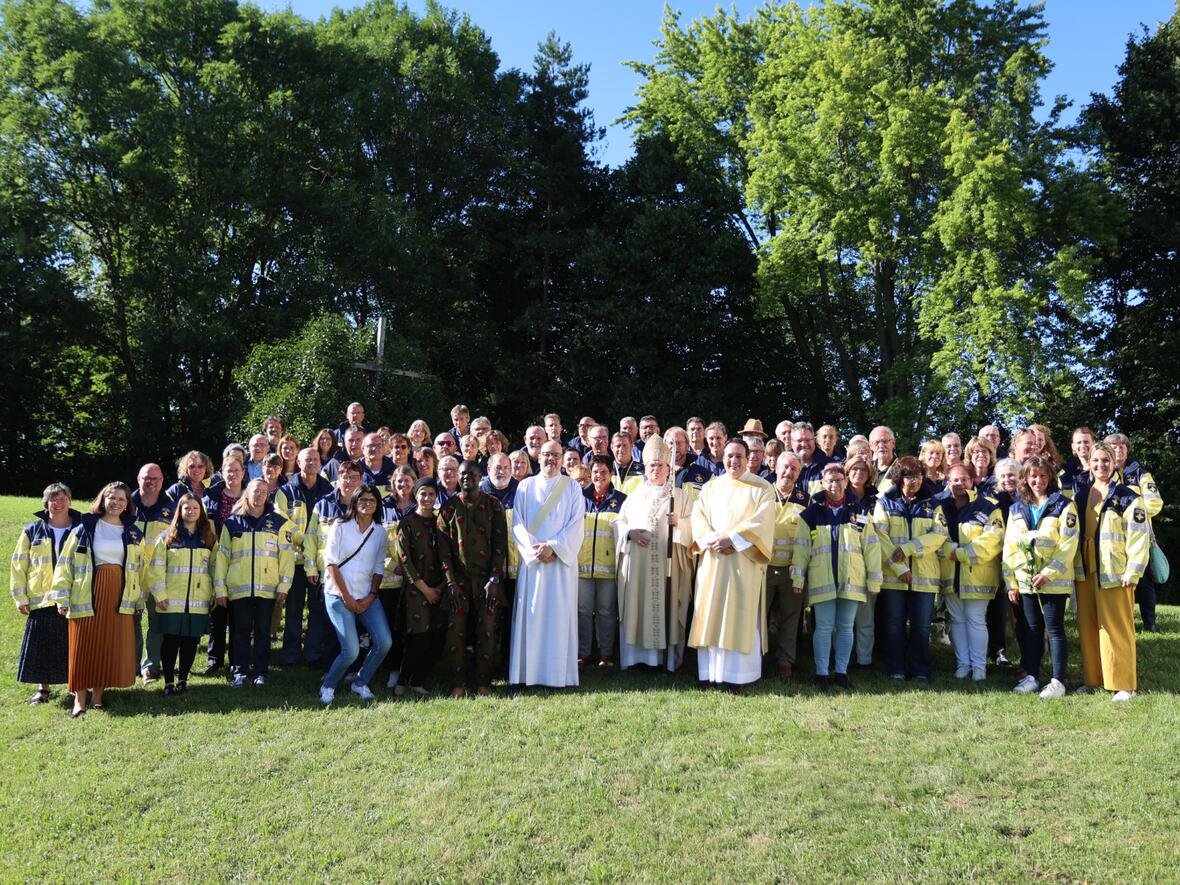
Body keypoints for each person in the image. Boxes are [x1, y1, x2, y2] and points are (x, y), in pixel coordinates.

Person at [52, 482, 146, 718]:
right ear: (103, 500)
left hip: (119, 596)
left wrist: (138, 600)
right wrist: (61, 597)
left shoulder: (134, 533)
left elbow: (141, 570)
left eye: (122, 499)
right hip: (87, 594)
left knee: (107, 644)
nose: (116, 503)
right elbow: (65, 564)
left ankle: (98, 696)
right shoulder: (84, 528)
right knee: (83, 646)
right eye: (111, 498)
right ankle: (79, 700)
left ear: (128, 504)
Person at [688, 440, 776, 692]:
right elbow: (699, 517)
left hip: (743, 563)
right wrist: (711, 539)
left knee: (738, 615)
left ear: (748, 457)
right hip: (713, 561)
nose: (733, 461)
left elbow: (762, 522)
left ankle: (738, 676)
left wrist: (732, 539)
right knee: (712, 614)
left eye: (739, 456)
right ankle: (710, 674)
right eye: (729, 456)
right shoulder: (711, 487)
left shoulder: (761, 488)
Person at [792, 462, 881, 690]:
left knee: (845, 627)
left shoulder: (859, 512)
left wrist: (874, 580)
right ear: (823, 482)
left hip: (852, 579)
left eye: (839, 480)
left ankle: (841, 672)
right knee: (823, 628)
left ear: (846, 481)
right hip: (823, 580)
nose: (835, 485)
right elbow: (802, 548)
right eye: (830, 480)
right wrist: (798, 578)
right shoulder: (810, 514)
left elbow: (871, 547)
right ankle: (821, 673)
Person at [1072, 444, 1150, 701]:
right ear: (1089, 462)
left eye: (1105, 460)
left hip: (1115, 571)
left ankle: (1125, 684)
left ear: (1114, 462)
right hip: (1085, 569)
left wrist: (1133, 571)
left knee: (1117, 627)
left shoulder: (1128, 496)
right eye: (1095, 460)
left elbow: (1139, 538)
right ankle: (1094, 679)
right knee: (1089, 626)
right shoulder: (1082, 494)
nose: (1100, 465)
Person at [508, 440, 586, 688]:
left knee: (558, 617)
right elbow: (517, 524)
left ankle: (557, 675)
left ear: (562, 458)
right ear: (537, 457)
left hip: (561, 566)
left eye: (555, 455)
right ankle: (527, 675)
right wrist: (536, 550)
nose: (550, 459)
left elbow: (576, 525)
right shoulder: (525, 486)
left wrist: (553, 547)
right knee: (531, 615)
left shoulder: (572, 487)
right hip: (533, 565)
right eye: (546, 455)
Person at [615, 437, 694, 672]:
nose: (656, 469)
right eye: (652, 465)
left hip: (670, 569)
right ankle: (639, 659)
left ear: (669, 469)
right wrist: (630, 533)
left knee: (668, 607)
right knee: (638, 607)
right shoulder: (634, 497)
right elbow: (619, 522)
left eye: (661, 465)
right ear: (645, 468)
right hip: (639, 567)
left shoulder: (680, 497)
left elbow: (695, 525)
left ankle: (666, 660)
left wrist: (680, 523)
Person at [1002, 457, 1079, 699]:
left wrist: (1048, 573)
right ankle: (1032, 677)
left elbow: (1068, 543)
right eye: (1033, 476)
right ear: (1025, 478)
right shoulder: (1016, 508)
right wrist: (1011, 582)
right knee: (1032, 630)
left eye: (1043, 476)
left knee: (1054, 629)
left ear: (1051, 478)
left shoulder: (1064, 505)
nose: (1038, 480)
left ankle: (1058, 681)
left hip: (1053, 580)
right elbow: (1009, 547)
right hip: (1025, 581)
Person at [212, 479, 294, 688]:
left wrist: (284, 587)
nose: (259, 496)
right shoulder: (232, 522)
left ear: (268, 496)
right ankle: (240, 671)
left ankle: (260, 672)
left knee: (263, 632)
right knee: (240, 631)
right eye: (256, 491)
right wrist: (220, 589)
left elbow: (286, 558)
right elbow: (222, 558)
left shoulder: (279, 522)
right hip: (239, 590)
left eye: (264, 492)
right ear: (246, 493)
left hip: (268, 590)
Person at [874, 457, 948, 683]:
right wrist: (899, 568)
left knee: (921, 626)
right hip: (893, 577)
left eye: (917, 476)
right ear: (899, 477)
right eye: (908, 476)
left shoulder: (933, 503)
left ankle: (920, 670)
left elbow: (939, 535)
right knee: (894, 624)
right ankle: (896, 668)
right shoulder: (885, 501)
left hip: (924, 576)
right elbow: (880, 537)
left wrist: (908, 548)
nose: (914, 481)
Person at [437, 462, 509, 696]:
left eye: (473, 474)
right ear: (457, 477)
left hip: (488, 582)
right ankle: (458, 683)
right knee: (454, 633)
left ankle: (483, 682)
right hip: (457, 583)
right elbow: (443, 550)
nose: (468, 478)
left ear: (481, 477)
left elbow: (500, 545)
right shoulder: (448, 508)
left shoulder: (493, 505)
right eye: (463, 474)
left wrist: (495, 580)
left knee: (487, 630)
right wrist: (450, 582)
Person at [319, 484, 391, 704]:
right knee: (350, 651)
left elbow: (379, 567)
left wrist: (371, 596)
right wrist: (348, 599)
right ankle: (328, 685)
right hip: (338, 596)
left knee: (384, 642)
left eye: (371, 500)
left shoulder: (379, 531)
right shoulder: (340, 526)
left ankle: (360, 682)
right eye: (363, 500)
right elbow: (331, 564)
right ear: (354, 502)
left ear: (377, 504)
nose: (367, 504)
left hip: (366, 596)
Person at [11, 483, 80, 704]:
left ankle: (75, 685)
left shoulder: (82, 526)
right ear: (46, 502)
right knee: (42, 644)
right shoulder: (32, 530)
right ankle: (43, 689)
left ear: (70, 500)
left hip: (75, 596)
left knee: (74, 643)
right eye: (53, 499)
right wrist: (20, 597)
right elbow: (18, 565)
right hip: (41, 598)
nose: (58, 503)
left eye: (63, 498)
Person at [935, 463, 1004, 681]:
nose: (960, 484)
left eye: (964, 479)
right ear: (948, 481)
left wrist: (962, 554)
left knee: (975, 619)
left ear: (972, 480)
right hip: (949, 572)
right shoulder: (939, 505)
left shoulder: (988, 507)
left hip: (978, 573)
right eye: (955, 480)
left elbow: (993, 539)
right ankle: (963, 664)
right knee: (956, 619)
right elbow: (935, 534)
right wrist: (948, 550)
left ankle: (979, 667)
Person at [146, 493, 218, 696]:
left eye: (195, 508)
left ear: (200, 511)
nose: (191, 512)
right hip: (170, 600)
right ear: (180, 511)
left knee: (191, 641)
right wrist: (160, 594)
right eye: (187, 508)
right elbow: (156, 568)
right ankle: (169, 681)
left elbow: (215, 567)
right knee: (170, 641)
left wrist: (215, 591)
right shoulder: (167, 537)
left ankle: (183, 680)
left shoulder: (208, 538)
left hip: (198, 599)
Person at [273, 447, 333, 666]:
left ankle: (313, 654)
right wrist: (304, 539)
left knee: (317, 611)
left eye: (316, 459)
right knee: (294, 610)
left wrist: (313, 546)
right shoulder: (286, 491)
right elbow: (281, 520)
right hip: (295, 561)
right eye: (308, 459)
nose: (312, 462)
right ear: (298, 462)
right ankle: (290, 655)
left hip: (319, 561)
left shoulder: (329, 490)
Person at [1105, 432, 1164, 632]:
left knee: (1145, 580)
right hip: (1111, 537)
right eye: (1113, 447)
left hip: (1138, 534)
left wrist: (1133, 513)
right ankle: (1122, 620)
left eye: (1121, 447)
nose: (1118, 450)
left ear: (1127, 450)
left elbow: (1155, 502)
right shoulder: (1102, 472)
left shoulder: (1140, 473)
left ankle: (1150, 623)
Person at [397, 477, 447, 695]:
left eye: (431, 494)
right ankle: (401, 680)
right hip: (417, 590)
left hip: (441, 588)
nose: (427, 498)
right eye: (423, 494)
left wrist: (442, 586)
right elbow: (404, 559)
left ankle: (418, 680)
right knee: (419, 638)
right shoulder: (407, 523)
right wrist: (426, 589)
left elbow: (451, 555)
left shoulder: (441, 522)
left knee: (438, 639)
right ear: (416, 496)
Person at [578, 455, 626, 668]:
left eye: (604, 472)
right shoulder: (579, 497)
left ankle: (606, 655)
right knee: (582, 611)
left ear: (611, 474)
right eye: (595, 472)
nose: (599, 476)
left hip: (608, 567)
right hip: (582, 566)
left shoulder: (622, 500)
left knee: (607, 611)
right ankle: (583, 653)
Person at [765, 452, 809, 678]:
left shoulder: (805, 499)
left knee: (791, 619)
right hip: (763, 566)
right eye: (785, 467)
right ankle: (756, 658)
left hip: (792, 570)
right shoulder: (762, 492)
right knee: (757, 616)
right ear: (775, 467)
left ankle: (785, 662)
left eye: (793, 469)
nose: (788, 472)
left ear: (799, 473)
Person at [131, 462, 172, 684]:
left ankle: (151, 667)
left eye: (156, 478)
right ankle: (131, 665)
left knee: (157, 624)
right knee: (131, 623)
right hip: (131, 575)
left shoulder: (171, 507)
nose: (151, 482)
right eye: (147, 477)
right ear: (138, 478)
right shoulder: (126, 504)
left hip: (158, 576)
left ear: (162, 481)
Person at [203, 456, 245, 674]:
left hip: (241, 560)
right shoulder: (210, 497)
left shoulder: (251, 496)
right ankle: (214, 659)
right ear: (222, 472)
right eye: (229, 470)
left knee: (237, 612)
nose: (233, 474)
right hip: (215, 557)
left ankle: (236, 658)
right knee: (217, 611)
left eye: (236, 470)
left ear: (243, 472)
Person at [378, 466, 417, 690]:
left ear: (414, 482)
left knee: (411, 628)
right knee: (392, 627)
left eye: (407, 481)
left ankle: (409, 671)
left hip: (415, 580)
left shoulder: (420, 507)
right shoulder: (384, 508)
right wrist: (394, 566)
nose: (403, 485)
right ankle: (393, 670)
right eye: (399, 481)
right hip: (388, 580)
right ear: (393, 484)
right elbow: (377, 543)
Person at [481, 452, 520, 675]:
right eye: (497, 467)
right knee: (487, 620)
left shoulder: (522, 490)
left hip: (515, 570)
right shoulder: (479, 491)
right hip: (486, 571)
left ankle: (509, 665)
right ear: (488, 469)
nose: (501, 471)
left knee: (511, 622)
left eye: (506, 466)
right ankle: (486, 667)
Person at [987, 457, 1027, 669]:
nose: (1007, 479)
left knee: (1022, 609)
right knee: (998, 606)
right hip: (998, 557)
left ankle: (1028, 653)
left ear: (1020, 475)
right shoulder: (992, 499)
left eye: (1011, 475)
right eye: (1002, 476)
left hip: (1024, 560)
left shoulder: (1027, 497)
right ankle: (998, 650)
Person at [845, 455, 880, 668]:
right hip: (846, 562)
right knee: (844, 621)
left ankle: (864, 661)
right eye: (854, 469)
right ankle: (843, 659)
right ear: (847, 472)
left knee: (866, 618)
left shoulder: (876, 499)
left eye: (863, 470)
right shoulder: (838, 495)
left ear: (869, 475)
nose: (858, 473)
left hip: (871, 559)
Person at [665, 426, 711, 501]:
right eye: (671, 443)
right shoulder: (656, 471)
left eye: (678, 443)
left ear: (687, 446)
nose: (675, 447)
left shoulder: (705, 475)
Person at [791, 422, 834, 495]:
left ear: (814, 441)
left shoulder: (830, 466)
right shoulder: (783, 466)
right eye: (799, 440)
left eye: (808, 440)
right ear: (792, 443)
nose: (804, 444)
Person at [1058, 427, 1094, 496]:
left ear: (1093, 443)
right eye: (1079, 442)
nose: (1082, 445)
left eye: (1086, 442)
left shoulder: (1101, 467)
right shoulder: (1067, 470)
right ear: (1073, 446)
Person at [358, 432, 395, 496]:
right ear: (363, 449)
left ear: (383, 448)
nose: (375, 448)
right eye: (371, 445)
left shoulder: (394, 470)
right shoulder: (355, 469)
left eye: (379, 445)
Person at [610, 431, 645, 496]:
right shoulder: (607, 469)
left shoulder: (643, 470)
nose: (621, 449)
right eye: (618, 446)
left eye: (625, 445)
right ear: (612, 447)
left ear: (632, 446)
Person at [868, 425, 897, 492]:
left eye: (885, 441)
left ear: (893, 443)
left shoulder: (901, 467)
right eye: (876, 442)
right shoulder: (867, 468)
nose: (881, 446)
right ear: (870, 446)